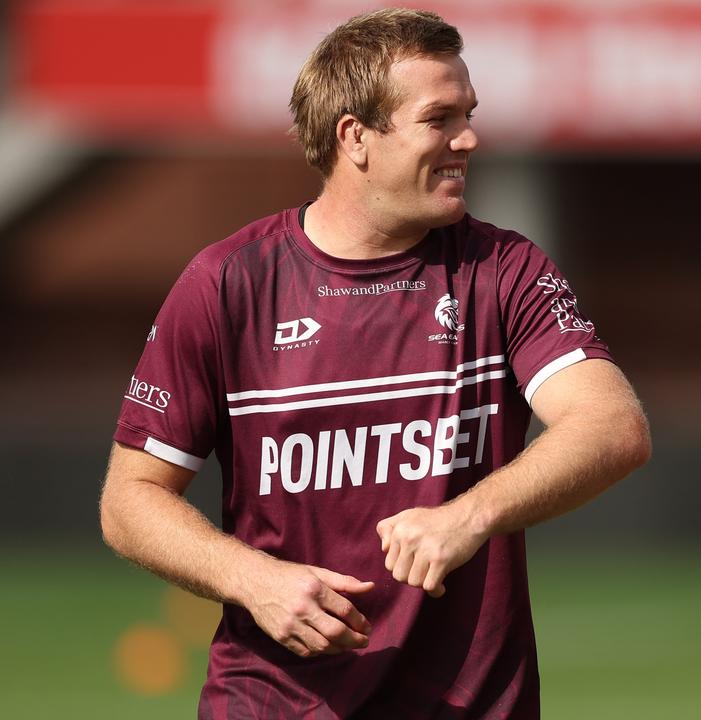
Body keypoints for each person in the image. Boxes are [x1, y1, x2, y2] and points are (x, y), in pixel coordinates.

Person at [99, 8, 650, 719]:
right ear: (355, 138)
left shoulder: (504, 270)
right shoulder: (225, 285)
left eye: (469, 113)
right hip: (273, 702)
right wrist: (253, 579)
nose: (469, 138)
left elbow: (612, 425)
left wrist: (470, 514)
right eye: (439, 118)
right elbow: (129, 501)